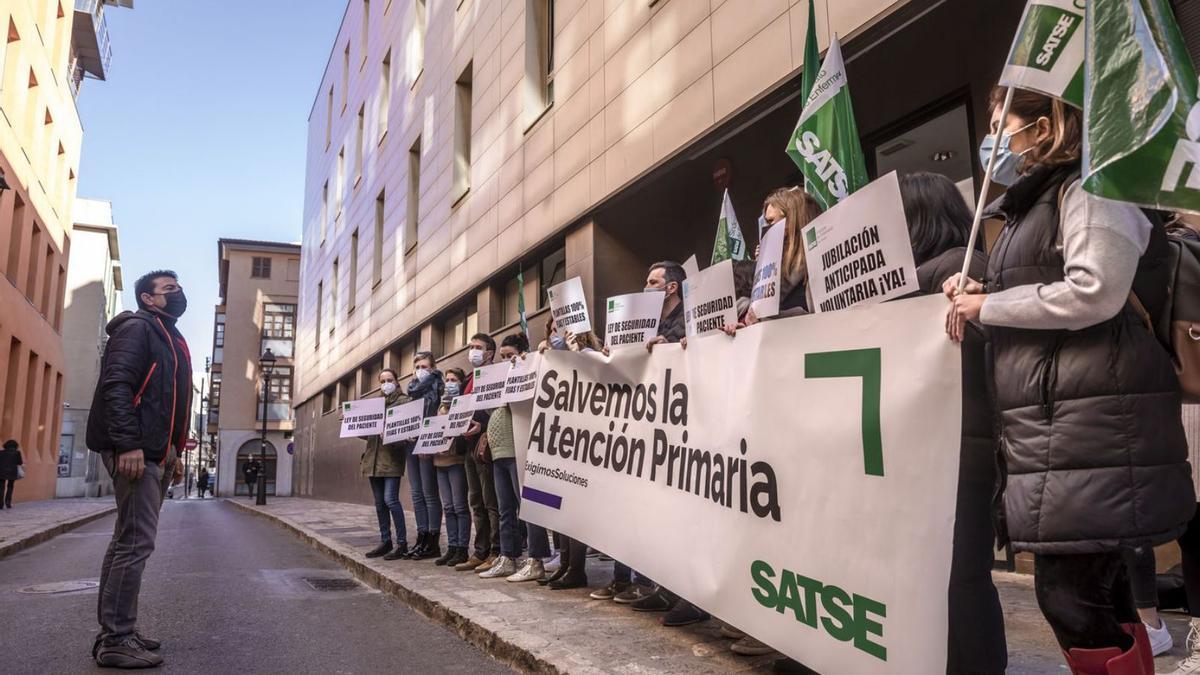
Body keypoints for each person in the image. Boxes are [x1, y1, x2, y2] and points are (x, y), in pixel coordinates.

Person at [945, 87, 1195, 670]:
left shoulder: (1090, 189)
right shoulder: (1035, 201)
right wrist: (988, 296)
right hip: (1067, 426)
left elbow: (1095, 289)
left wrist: (990, 307)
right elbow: (1046, 284)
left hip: (1095, 425)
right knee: (1094, 594)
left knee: (1070, 595)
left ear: (1046, 124)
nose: (994, 136)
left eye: (1000, 120)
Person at [900, 171, 1007, 674]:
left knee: (961, 574)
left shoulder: (962, 273)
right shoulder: (925, 275)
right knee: (950, 574)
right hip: (942, 445)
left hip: (960, 446)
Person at [86, 269, 192, 668]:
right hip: (135, 452)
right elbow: (117, 387)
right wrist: (128, 443)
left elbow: (167, 401)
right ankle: (116, 638)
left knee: (126, 542)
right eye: (168, 289)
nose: (178, 293)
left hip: (154, 453)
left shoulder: (167, 335)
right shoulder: (137, 329)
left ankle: (116, 630)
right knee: (135, 544)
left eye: (178, 287)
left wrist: (175, 451)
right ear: (148, 298)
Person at [485, 333, 556, 583]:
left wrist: (527, 365)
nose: (506, 360)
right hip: (500, 451)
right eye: (502, 357)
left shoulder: (529, 371)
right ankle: (508, 556)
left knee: (527, 507)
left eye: (510, 355)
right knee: (506, 509)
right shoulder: (499, 378)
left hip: (519, 448)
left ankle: (535, 559)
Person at [743, 187, 823, 324]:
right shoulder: (770, 275)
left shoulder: (817, 266)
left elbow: (819, 321)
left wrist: (765, 320)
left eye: (771, 221)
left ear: (792, 221)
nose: (766, 230)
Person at [457, 333, 502, 572]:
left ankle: (496, 551)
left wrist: (482, 425)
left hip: (487, 444)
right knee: (475, 500)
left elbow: (499, 409)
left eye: (478, 347)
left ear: (489, 353)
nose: (473, 351)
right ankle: (480, 550)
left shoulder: (496, 375)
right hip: (468, 446)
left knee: (490, 500)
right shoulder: (468, 379)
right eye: (471, 346)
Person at [359, 368, 410, 561]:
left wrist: (390, 433)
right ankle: (385, 540)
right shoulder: (374, 405)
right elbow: (367, 434)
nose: (386, 384)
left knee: (391, 500)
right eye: (382, 381)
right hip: (373, 460)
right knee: (380, 504)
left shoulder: (404, 402)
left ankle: (402, 543)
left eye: (389, 380)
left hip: (391, 460)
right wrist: (353, 425)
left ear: (397, 382)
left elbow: (405, 434)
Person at [403, 351, 444, 560]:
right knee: (416, 493)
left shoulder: (438, 388)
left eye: (425, 367)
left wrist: (427, 440)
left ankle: (433, 540)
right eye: (417, 367)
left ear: (433, 368)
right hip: (410, 445)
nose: (421, 371)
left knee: (429, 493)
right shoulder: (411, 391)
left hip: (427, 445)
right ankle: (421, 535)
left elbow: (438, 417)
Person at [433, 368, 471, 568]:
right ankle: (452, 546)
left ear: (461, 382)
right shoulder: (440, 405)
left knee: (459, 506)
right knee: (447, 507)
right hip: (440, 461)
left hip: (456, 460)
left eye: (453, 380)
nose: (449, 383)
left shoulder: (464, 402)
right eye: (447, 379)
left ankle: (463, 548)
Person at [0, 439, 22, 508]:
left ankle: (0, 504)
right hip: (12, 472)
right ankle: (8, 503)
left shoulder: (1, 452)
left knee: (1, 487)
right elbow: (20, 462)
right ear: (15, 446)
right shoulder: (17, 453)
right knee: (10, 487)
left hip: (2, 471)